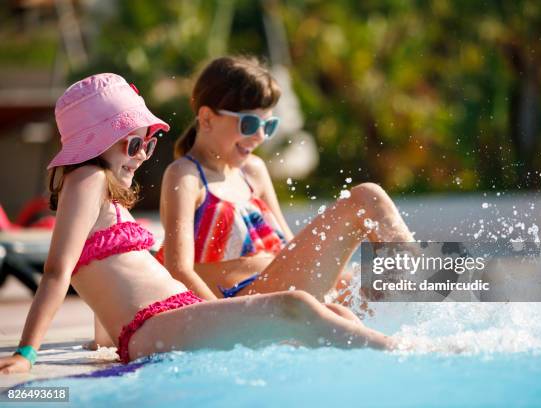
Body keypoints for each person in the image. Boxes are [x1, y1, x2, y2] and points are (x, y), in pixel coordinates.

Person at [0, 73, 395, 374]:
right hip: (153, 324)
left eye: (147, 144)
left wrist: (102, 338)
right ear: (93, 143)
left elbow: (107, 281)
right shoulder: (87, 178)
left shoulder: (103, 195)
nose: (141, 157)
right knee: (294, 307)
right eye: (133, 144)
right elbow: (57, 273)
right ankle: (403, 354)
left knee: (335, 317)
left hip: (173, 315)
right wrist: (26, 353)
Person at [157, 56, 415, 301]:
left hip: (286, 294)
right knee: (367, 197)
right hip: (247, 303)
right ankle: (426, 282)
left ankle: (433, 291)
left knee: (372, 286)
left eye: (268, 126)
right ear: (207, 118)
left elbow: (288, 248)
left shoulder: (253, 171)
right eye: (248, 124)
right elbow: (178, 270)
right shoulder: (186, 176)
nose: (260, 136)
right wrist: (221, 318)